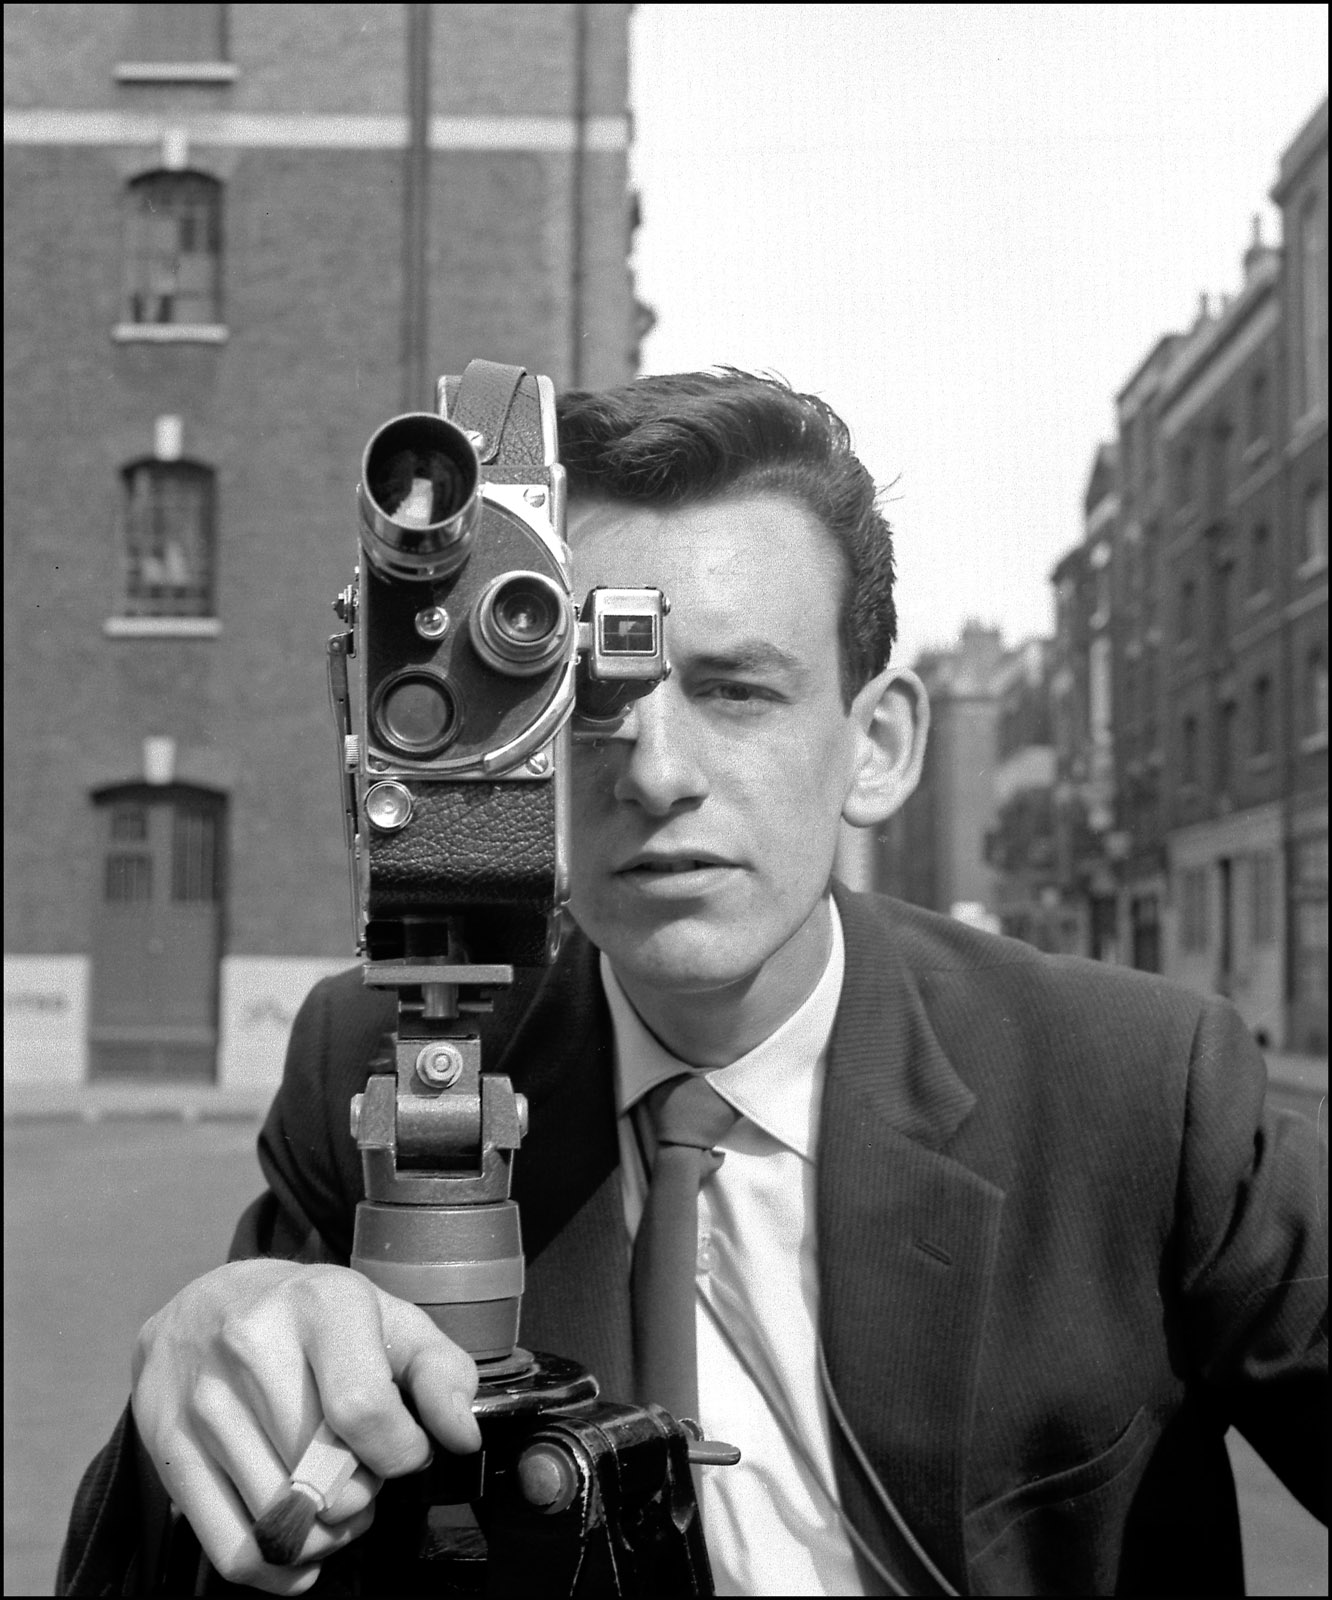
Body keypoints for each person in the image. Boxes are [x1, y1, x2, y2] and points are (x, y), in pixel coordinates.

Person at [59, 369, 1325, 1597]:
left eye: (733, 690)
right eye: (588, 697)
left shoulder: (1142, 1091)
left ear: (876, 748)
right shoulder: (387, 1063)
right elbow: (237, 1520)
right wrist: (191, 1394)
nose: (655, 771)